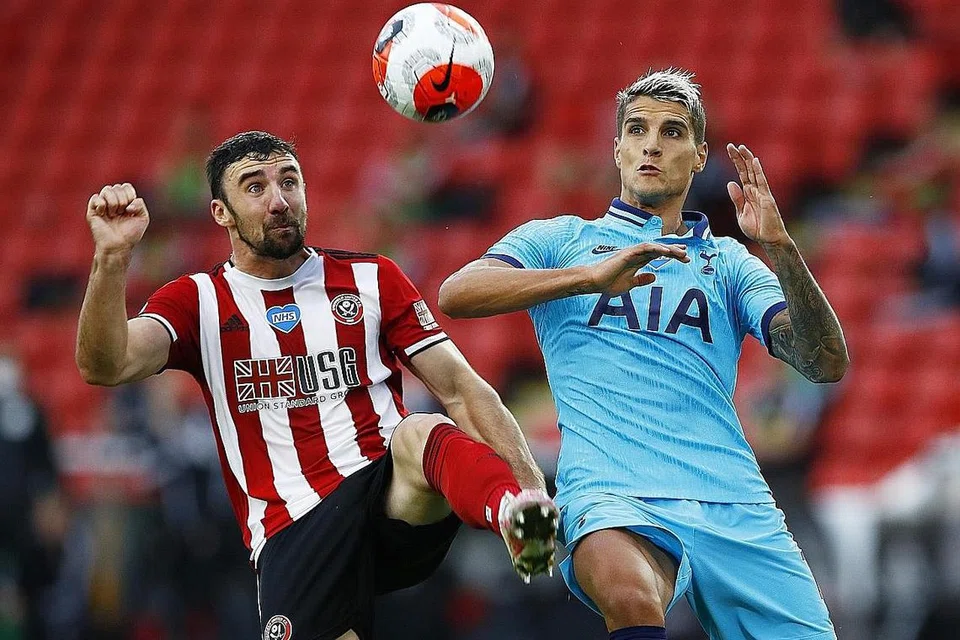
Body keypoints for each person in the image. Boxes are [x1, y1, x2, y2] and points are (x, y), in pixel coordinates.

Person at [75, 131, 558, 640]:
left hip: (386, 492)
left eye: (289, 181)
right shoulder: (198, 301)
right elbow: (105, 366)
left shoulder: (373, 278)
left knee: (420, 431)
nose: (279, 199)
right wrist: (111, 258)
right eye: (255, 187)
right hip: (293, 527)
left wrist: (530, 486)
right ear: (221, 213)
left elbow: (462, 388)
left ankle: (513, 512)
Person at [438, 69, 850, 640]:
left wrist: (781, 249)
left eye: (672, 132)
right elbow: (457, 293)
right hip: (612, 495)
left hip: (734, 500)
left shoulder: (730, 263)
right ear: (617, 149)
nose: (651, 144)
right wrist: (587, 278)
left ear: (700, 156)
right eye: (637, 129)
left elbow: (824, 362)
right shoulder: (562, 241)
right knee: (630, 594)